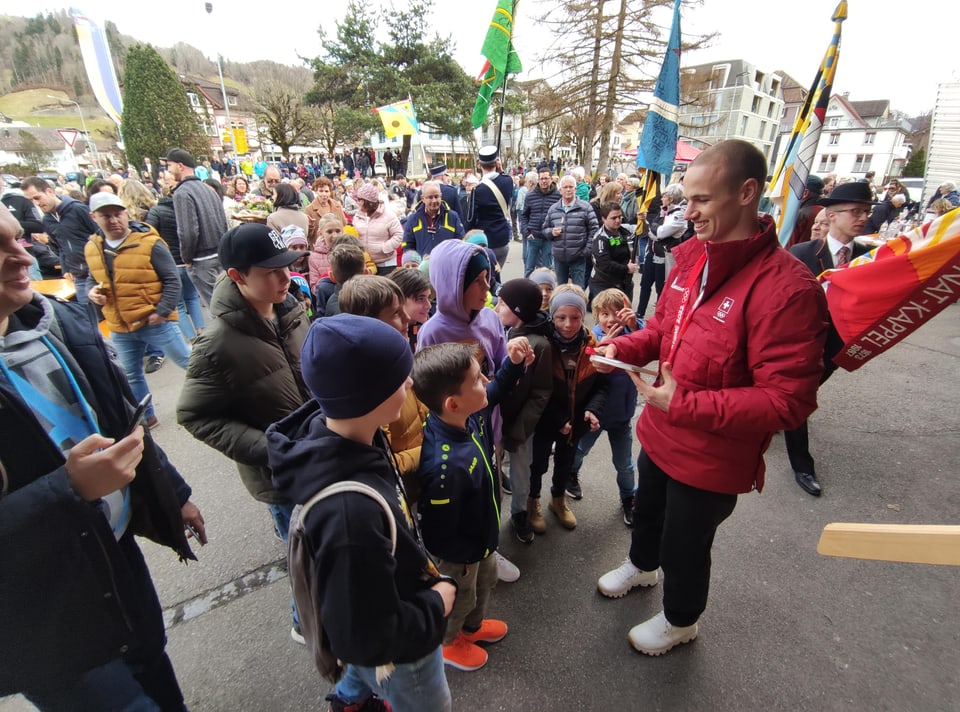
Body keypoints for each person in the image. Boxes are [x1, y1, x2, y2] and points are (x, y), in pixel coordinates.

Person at [594, 140, 828, 656]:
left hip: (713, 454)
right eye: (686, 199)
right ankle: (641, 566)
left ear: (747, 193)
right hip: (660, 429)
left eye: (702, 200)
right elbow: (662, 330)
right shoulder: (691, 257)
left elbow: (788, 401)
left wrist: (684, 406)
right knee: (649, 512)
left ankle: (681, 620)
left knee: (687, 543)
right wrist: (621, 346)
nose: (688, 212)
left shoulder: (788, 289)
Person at [0, 202, 205, 711]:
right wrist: (66, 492)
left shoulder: (59, 324)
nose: (23, 258)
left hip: (117, 558)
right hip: (45, 614)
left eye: (17, 239)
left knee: (159, 677)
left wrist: (172, 493)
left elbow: (120, 417)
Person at [267, 314, 457, 712]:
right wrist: (436, 603)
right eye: (400, 377)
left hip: (384, 594)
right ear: (370, 396)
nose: (410, 384)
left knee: (361, 668)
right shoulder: (351, 516)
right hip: (405, 656)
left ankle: (350, 699)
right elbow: (364, 637)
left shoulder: (351, 434)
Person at [176, 222, 311, 639]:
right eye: (271, 271)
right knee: (305, 558)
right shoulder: (216, 344)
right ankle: (302, 621)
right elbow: (194, 415)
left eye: (286, 265)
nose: (285, 277)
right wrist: (270, 447)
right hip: (282, 476)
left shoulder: (292, 308)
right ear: (236, 276)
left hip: (322, 456)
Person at [413, 338, 531, 671]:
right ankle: (450, 644)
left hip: (482, 540)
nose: (486, 383)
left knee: (486, 583)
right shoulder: (443, 467)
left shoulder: (467, 414)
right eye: (479, 379)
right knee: (462, 597)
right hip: (461, 553)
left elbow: (495, 393)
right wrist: (461, 558)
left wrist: (515, 364)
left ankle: (473, 628)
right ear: (453, 403)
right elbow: (437, 530)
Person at [415, 238, 520, 582]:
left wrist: (514, 361)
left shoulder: (490, 317)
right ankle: (467, 559)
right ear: (451, 285)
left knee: (490, 484)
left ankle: (492, 548)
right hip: (456, 435)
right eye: (477, 281)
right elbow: (426, 389)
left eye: (488, 277)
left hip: (490, 424)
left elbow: (502, 359)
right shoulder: (433, 332)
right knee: (465, 498)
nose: (487, 287)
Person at [786, 181, 872, 496]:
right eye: (855, 211)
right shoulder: (803, 253)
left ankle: (777, 413)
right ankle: (803, 466)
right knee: (800, 397)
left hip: (837, 347)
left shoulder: (872, 256)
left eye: (866, 211)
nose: (862, 217)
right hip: (799, 345)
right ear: (832, 216)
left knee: (798, 397)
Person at [84, 192, 191, 429]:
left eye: (117, 214)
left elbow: (173, 279)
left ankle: (227, 398)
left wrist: (162, 311)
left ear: (126, 213)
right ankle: (146, 417)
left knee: (189, 362)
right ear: (94, 217)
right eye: (105, 216)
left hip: (155, 322)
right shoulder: (93, 247)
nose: (113, 220)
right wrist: (91, 293)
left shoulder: (150, 243)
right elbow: (92, 279)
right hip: (120, 326)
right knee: (131, 375)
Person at [529, 284, 608, 531]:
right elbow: (536, 390)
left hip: (576, 421)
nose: (568, 324)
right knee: (538, 463)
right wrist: (558, 420)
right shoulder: (543, 345)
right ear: (552, 316)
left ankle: (558, 500)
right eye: (560, 317)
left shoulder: (592, 344)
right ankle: (533, 502)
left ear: (583, 316)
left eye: (575, 317)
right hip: (546, 419)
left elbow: (602, 386)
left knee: (565, 462)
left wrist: (592, 410)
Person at [567, 288, 639, 525]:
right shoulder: (592, 338)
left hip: (621, 416)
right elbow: (587, 364)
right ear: (596, 316)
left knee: (625, 465)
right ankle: (571, 475)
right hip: (595, 415)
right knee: (579, 451)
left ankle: (629, 498)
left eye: (616, 313)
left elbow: (649, 339)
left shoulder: (633, 333)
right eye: (604, 314)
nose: (611, 319)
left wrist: (634, 325)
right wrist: (604, 345)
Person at [495, 278, 554, 543]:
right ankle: (492, 515)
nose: (497, 307)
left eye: (503, 303)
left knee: (521, 473)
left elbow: (541, 392)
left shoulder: (538, 345)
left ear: (518, 311)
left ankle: (519, 512)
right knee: (493, 471)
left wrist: (521, 428)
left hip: (521, 426)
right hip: (494, 420)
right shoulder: (499, 331)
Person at [21, 176, 100, 304]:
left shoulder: (78, 209)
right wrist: (66, 269)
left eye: (37, 197)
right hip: (78, 276)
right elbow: (59, 246)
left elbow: (100, 235)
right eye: (31, 200)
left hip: (97, 272)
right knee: (88, 317)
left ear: (49, 192)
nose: (36, 203)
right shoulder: (47, 220)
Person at [166, 147, 229, 308]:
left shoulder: (182, 193)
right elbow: (223, 222)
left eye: (169, 166)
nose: (168, 170)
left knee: (218, 310)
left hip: (202, 259)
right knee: (228, 303)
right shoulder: (208, 189)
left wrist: (186, 258)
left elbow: (187, 231)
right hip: (219, 254)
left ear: (180, 166)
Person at [145, 183, 206, 345]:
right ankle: (201, 331)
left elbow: (149, 235)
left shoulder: (156, 212)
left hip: (170, 264)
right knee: (192, 298)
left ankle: (193, 339)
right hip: (187, 261)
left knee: (178, 304)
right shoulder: (183, 211)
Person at [638, 183, 686, 316]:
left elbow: (660, 233)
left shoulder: (679, 214)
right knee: (645, 284)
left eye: (664, 196)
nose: (661, 198)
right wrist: (652, 226)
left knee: (661, 288)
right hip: (651, 253)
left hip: (665, 258)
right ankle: (640, 313)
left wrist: (654, 228)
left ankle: (659, 317)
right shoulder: (663, 211)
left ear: (671, 199)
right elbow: (653, 233)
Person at [543, 175, 598, 289]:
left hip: (578, 256)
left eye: (571, 187)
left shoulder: (585, 207)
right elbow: (545, 229)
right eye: (565, 187)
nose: (568, 190)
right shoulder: (553, 209)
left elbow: (594, 229)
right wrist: (552, 232)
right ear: (560, 190)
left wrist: (586, 250)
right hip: (559, 257)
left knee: (578, 289)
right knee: (560, 289)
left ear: (575, 189)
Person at [465, 146, 515, 268]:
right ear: (496, 163)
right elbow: (503, 178)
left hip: (485, 241)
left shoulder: (477, 190)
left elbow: (470, 219)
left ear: (479, 164)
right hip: (503, 239)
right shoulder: (508, 181)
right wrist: (501, 170)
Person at [403, 180, 465, 262]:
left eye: (436, 196)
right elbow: (407, 246)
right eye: (430, 197)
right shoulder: (413, 219)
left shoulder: (452, 217)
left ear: (441, 196)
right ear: (423, 198)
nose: (434, 201)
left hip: (447, 268)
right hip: (422, 269)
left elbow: (461, 243)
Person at [589, 201, 638, 302]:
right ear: (603, 219)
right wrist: (626, 268)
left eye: (620, 217)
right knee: (607, 316)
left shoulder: (624, 230)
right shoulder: (600, 238)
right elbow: (605, 264)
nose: (618, 220)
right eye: (613, 218)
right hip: (603, 284)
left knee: (624, 315)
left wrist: (643, 220)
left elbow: (643, 230)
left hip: (624, 282)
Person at [354, 183, 404, 276]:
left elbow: (399, 234)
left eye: (360, 200)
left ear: (368, 201)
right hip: (366, 265)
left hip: (385, 264)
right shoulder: (358, 215)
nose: (358, 202)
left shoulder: (388, 215)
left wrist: (384, 248)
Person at [519, 164, 560, 277]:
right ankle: (528, 293)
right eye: (541, 178)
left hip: (549, 238)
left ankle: (547, 292)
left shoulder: (558, 196)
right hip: (533, 236)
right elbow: (524, 215)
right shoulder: (530, 195)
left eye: (546, 178)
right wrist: (526, 232)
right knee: (529, 268)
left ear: (551, 179)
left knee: (548, 269)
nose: (544, 181)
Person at [390, 266, 433, 351]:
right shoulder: (388, 334)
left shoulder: (431, 328)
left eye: (429, 298)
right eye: (420, 299)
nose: (429, 306)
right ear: (399, 299)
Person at [786, 175, 825, 248]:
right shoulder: (825, 212)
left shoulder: (800, 215)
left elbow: (789, 245)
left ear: (805, 193)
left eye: (793, 190)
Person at [305, 177, 346, 241]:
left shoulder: (337, 205)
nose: (324, 194)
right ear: (316, 191)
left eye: (326, 191)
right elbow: (308, 235)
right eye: (321, 191)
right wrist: (311, 226)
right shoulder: (309, 209)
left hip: (337, 244)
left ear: (330, 192)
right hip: (319, 246)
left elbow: (343, 224)